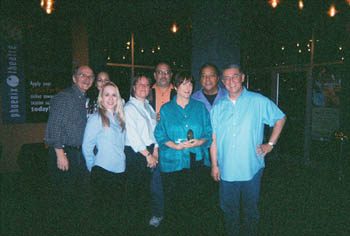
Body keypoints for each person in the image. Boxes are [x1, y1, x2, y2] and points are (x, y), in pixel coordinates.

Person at [210, 64, 287, 236]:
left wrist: (270, 144)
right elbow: (213, 140)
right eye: (227, 78)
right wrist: (214, 165)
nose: (231, 81)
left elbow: (280, 118)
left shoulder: (257, 101)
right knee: (229, 212)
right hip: (227, 170)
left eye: (235, 76)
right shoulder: (218, 108)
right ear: (222, 82)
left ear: (242, 77)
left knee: (251, 210)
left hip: (251, 168)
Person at [154, 71, 212, 234]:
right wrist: (174, 146)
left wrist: (200, 141)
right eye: (183, 83)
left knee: (194, 203)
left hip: (195, 161)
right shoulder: (166, 109)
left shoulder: (200, 108)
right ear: (176, 86)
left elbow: (209, 131)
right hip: (173, 162)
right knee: (174, 204)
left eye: (190, 83)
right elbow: (159, 133)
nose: (188, 87)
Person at [45, 65, 94, 234]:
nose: (87, 79)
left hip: (77, 153)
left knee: (75, 197)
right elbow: (54, 127)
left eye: (90, 76)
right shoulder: (65, 97)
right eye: (82, 75)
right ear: (74, 78)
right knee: (63, 198)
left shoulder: (82, 99)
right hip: (65, 153)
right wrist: (60, 154)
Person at [82, 82, 126, 234]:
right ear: (101, 98)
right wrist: (93, 168)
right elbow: (86, 147)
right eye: (107, 94)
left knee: (117, 215)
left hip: (120, 171)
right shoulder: (96, 118)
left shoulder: (120, 118)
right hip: (103, 173)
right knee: (102, 217)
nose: (110, 98)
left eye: (114, 95)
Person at [124, 74, 159, 231]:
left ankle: (143, 225)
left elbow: (156, 131)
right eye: (140, 84)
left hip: (150, 152)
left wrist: (156, 151)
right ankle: (134, 227)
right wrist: (148, 155)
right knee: (135, 193)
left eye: (147, 84)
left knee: (146, 191)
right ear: (133, 87)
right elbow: (133, 136)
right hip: (137, 154)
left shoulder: (149, 107)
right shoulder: (128, 108)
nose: (144, 87)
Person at [148, 62, 176, 227]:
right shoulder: (147, 92)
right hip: (152, 146)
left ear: (171, 75)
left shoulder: (178, 92)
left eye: (166, 72)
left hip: (173, 145)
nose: (163, 75)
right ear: (155, 75)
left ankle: (173, 214)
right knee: (155, 183)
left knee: (173, 182)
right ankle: (157, 213)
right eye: (160, 72)